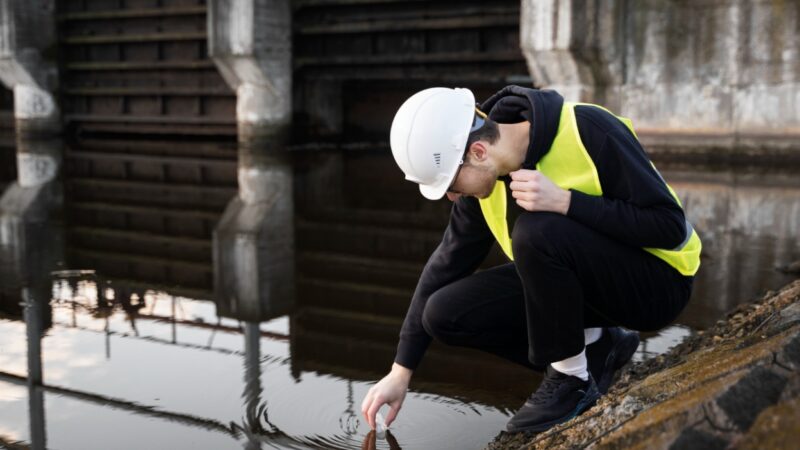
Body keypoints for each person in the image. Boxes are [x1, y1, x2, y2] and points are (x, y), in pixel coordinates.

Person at [360, 86, 701, 433]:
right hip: (594, 294)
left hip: (658, 285)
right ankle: (598, 346)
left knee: (535, 231)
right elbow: (445, 263)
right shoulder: (485, 182)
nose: (451, 195)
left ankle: (572, 382)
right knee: (444, 313)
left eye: (450, 182)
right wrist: (401, 370)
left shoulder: (589, 128)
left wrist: (568, 202)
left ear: (478, 151)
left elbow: (669, 226)